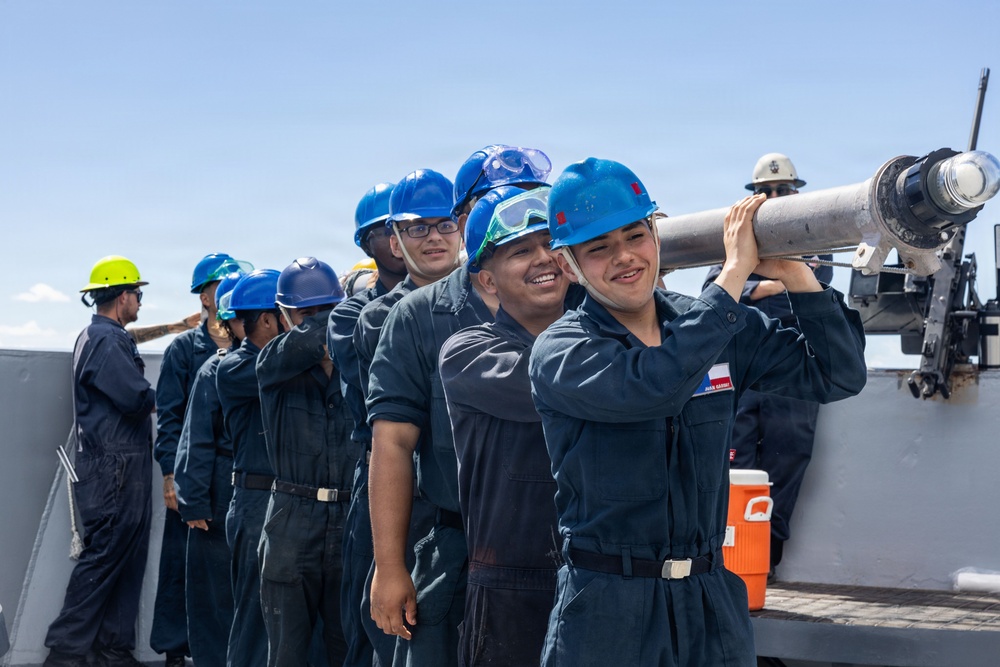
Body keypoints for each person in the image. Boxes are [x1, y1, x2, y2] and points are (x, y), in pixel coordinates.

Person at [527, 158, 867, 666]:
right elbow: (655, 387)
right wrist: (732, 277)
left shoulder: (713, 323)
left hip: (711, 601)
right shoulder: (563, 352)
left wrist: (795, 272)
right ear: (570, 264)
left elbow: (837, 374)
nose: (624, 257)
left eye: (635, 235)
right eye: (598, 248)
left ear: (655, 234)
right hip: (608, 608)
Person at [439, 186, 569, 666]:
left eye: (551, 244)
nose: (545, 259)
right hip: (510, 591)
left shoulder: (605, 345)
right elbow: (561, 383)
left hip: (594, 581)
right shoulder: (470, 354)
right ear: (488, 282)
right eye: (521, 251)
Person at [702, 152, 833, 579]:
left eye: (782, 190)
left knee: (788, 459)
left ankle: (766, 563)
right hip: (744, 375)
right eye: (766, 191)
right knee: (734, 460)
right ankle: (730, 563)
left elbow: (823, 287)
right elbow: (712, 292)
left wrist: (750, 284)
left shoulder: (816, 241)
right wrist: (778, 282)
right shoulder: (732, 241)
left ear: (796, 193)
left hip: (794, 378)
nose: (774, 197)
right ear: (753, 196)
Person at [44, 256, 155, 667]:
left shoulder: (97, 337)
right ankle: (64, 653)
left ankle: (112, 650)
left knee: (125, 560)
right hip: (115, 470)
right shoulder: (107, 341)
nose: (140, 302)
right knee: (105, 558)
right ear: (122, 296)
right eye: (138, 295)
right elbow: (136, 397)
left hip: (118, 467)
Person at [256, 257, 357, 666]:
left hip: (352, 516)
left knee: (347, 649)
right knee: (287, 654)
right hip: (292, 522)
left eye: (326, 309)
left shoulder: (357, 367)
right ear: (283, 316)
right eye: (305, 312)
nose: (316, 319)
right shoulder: (272, 363)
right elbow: (312, 339)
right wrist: (350, 311)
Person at [152, 252, 251, 667]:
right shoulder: (184, 351)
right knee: (183, 565)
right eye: (218, 287)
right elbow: (171, 417)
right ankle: (177, 647)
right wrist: (172, 475)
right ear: (204, 297)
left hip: (239, 481)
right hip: (196, 479)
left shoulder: (254, 347)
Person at [327, 182, 409, 667]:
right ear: (369, 244)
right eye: (390, 229)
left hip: (451, 483)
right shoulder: (353, 314)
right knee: (374, 624)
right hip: (381, 471)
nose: (402, 238)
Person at [216, 269, 283, 667]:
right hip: (256, 502)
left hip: (289, 499)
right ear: (268, 319)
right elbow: (280, 365)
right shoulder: (235, 368)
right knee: (255, 619)